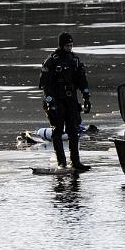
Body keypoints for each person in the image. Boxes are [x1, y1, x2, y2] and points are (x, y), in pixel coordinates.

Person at [39, 32, 91, 170]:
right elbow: (45, 85)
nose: (70, 48)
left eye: (71, 45)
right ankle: (61, 162)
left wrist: (86, 97)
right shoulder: (52, 60)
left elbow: (82, 80)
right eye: (67, 45)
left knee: (73, 131)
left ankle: (75, 161)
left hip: (71, 100)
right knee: (57, 131)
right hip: (56, 101)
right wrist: (50, 102)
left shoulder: (75, 60)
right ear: (61, 45)